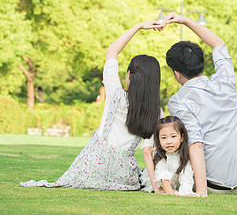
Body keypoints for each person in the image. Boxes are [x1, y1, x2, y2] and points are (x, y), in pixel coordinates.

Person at [20, 19, 164, 191]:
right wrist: (156, 187)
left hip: (92, 165)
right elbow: (148, 151)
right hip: (124, 174)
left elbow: (111, 52)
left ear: (129, 75)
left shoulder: (116, 95)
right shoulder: (156, 111)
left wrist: (138, 26)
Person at [164, 13, 237, 196]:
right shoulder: (225, 81)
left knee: (169, 145)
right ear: (201, 63)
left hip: (213, 185)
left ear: (177, 73)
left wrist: (202, 190)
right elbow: (218, 44)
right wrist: (185, 20)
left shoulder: (178, 100)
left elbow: (195, 143)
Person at [140, 116, 194, 196]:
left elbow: (186, 174)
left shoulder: (184, 154)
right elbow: (162, 175)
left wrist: (187, 192)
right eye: (164, 138)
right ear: (158, 140)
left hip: (175, 183)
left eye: (173, 136)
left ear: (182, 138)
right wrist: (170, 192)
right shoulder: (159, 154)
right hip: (159, 182)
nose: (169, 142)